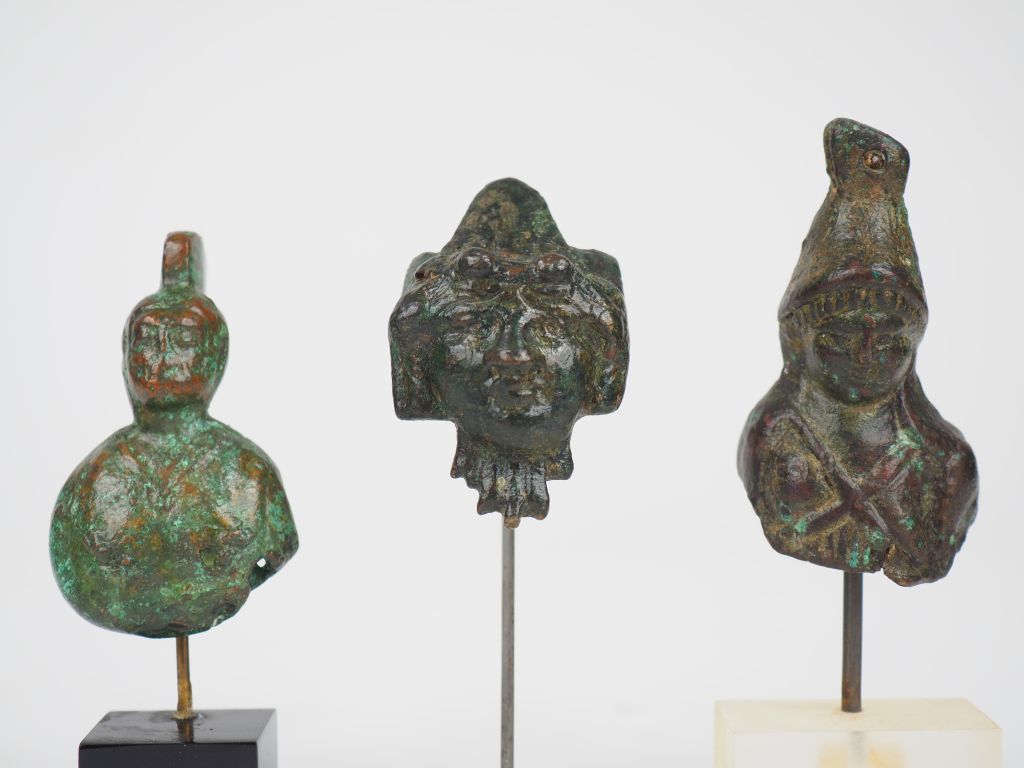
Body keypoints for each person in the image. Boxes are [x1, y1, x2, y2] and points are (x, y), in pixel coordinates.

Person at [739, 119, 977, 586]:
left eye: (889, 341)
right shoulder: (774, 438)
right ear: (800, 339)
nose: (867, 355)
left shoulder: (947, 463)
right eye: (842, 338)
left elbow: (928, 554)